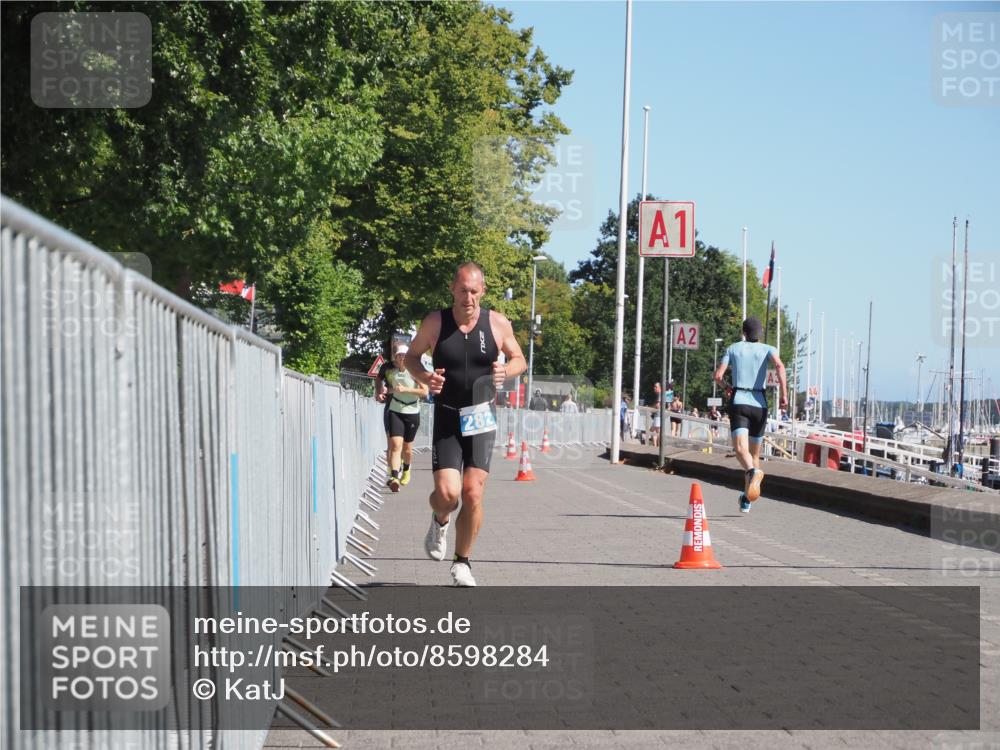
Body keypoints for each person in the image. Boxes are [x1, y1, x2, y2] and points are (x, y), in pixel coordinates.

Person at [404, 262, 526, 587]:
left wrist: (506, 372)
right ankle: (440, 519)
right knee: (448, 494)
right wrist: (425, 377)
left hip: (481, 415)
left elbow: (519, 359)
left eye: (474, 291)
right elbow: (410, 358)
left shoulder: (497, 323)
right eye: (462, 290)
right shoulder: (435, 322)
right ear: (452, 289)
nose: (468, 297)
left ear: (482, 291)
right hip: (447, 413)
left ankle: (462, 563)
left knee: (473, 493)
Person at [714, 316, 788, 514]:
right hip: (760, 405)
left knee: (740, 450)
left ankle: (753, 473)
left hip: (740, 402)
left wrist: (726, 387)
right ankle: (746, 498)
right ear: (760, 333)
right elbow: (780, 366)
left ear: (743, 333)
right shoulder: (769, 349)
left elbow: (718, 376)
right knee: (754, 455)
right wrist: (784, 394)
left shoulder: (733, 348)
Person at [377, 344, 428, 492]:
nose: (401, 358)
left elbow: (424, 392)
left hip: (412, 411)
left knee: (407, 449)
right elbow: (387, 387)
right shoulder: (391, 372)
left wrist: (406, 389)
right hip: (395, 409)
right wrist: (383, 392)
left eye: (404, 355)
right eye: (399, 355)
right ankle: (394, 477)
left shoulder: (414, 372)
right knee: (395, 444)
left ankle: (406, 469)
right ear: (396, 357)